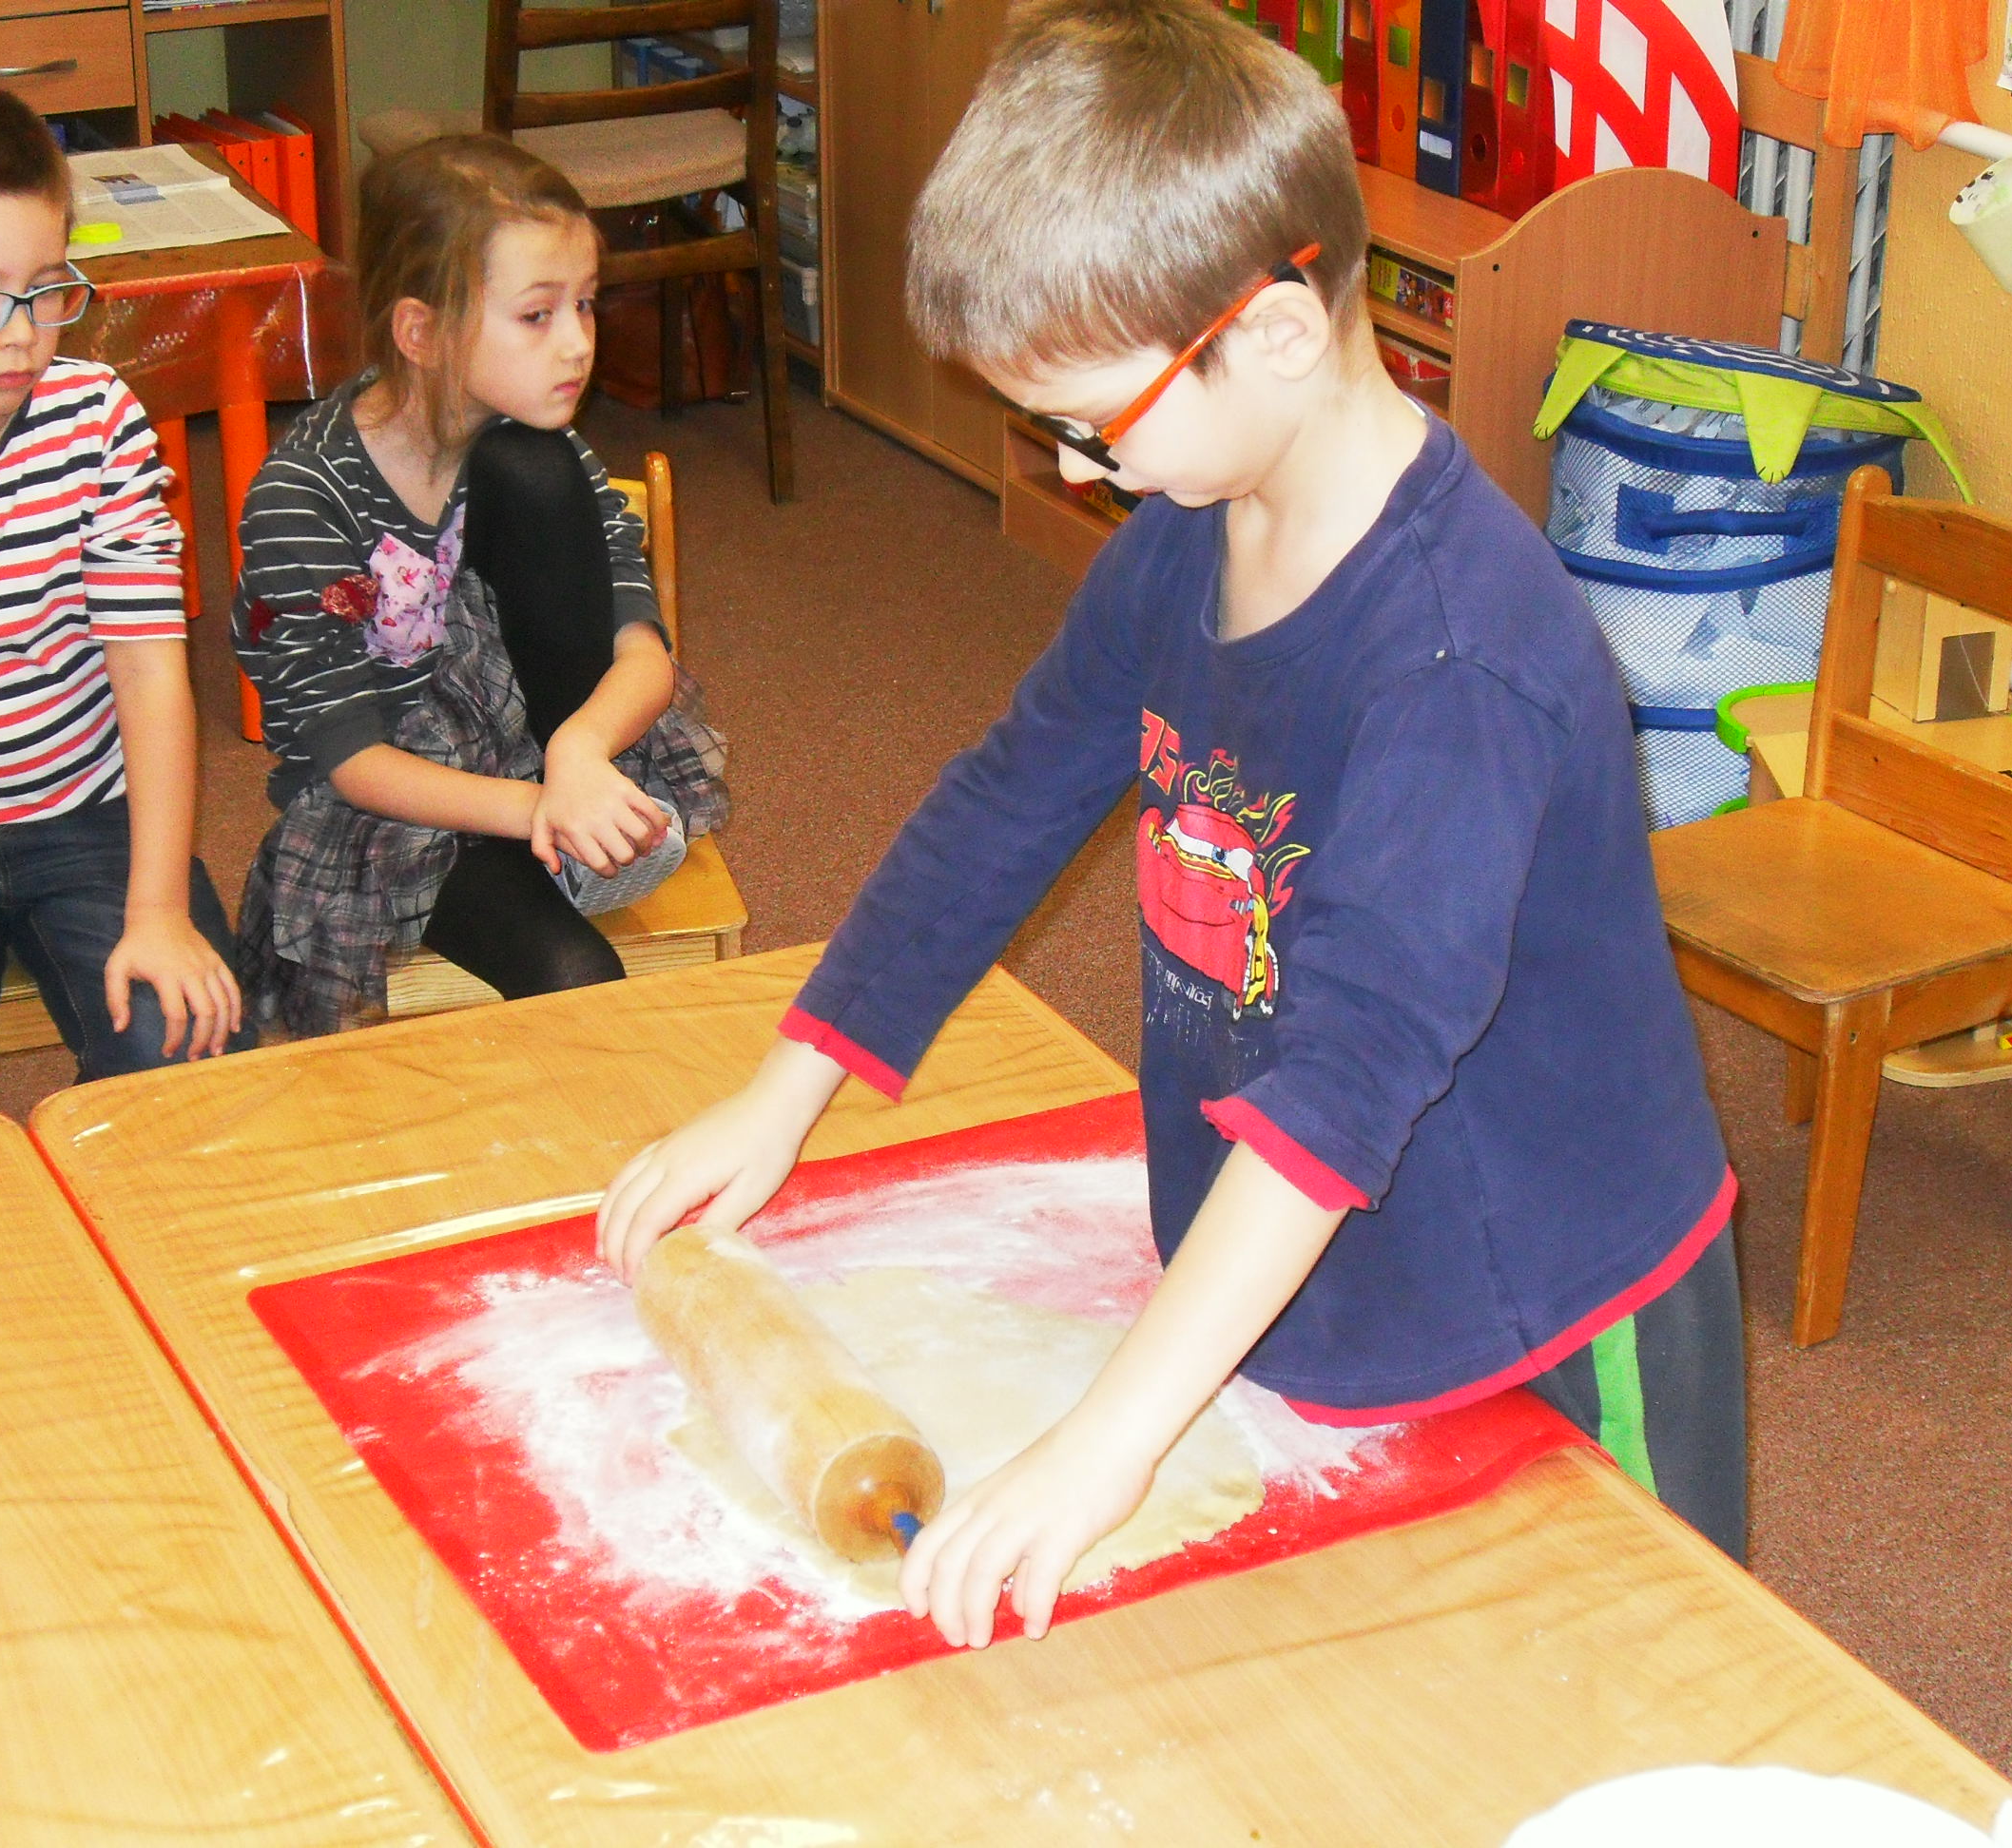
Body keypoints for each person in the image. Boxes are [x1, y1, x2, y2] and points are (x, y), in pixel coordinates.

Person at [599, 0, 1743, 1646]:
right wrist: (785, 1093)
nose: (1087, 466)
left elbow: (1352, 1077)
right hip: (1294, 1242)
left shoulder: (1457, 658)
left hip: (1540, 1295)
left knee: (1621, 1686)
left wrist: (1103, 1444)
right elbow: (1002, 804)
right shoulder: (1187, 537)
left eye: (1100, 421)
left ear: (1271, 331)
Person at [232, 135, 726, 1036]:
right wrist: (545, 808)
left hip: (540, 746)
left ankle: (582, 828)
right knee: (580, 979)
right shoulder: (304, 496)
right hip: (395, 808)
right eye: (537, 315)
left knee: (532, 470)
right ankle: (567, 849)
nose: (579, 343)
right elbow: (352, 761)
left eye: (585, 304)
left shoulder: (541, 444)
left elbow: (641, 651)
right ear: (419, 332)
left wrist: (578, 756)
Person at [0, 70, 250, 1123]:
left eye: (47, 288)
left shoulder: (96, 419)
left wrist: (160, 910)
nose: (21, 332)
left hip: (87, 808)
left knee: (197, 1048)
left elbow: (150, 674)